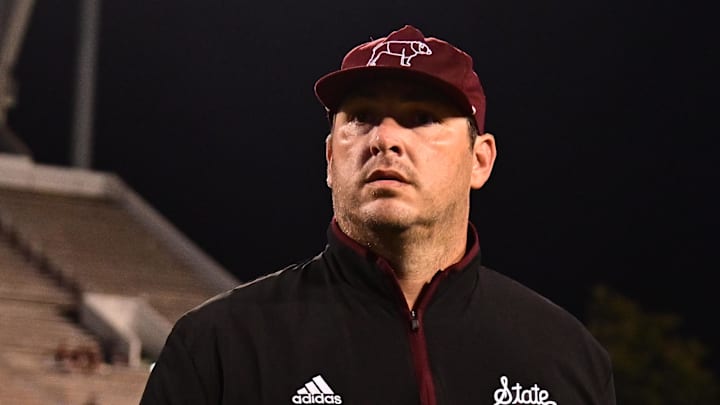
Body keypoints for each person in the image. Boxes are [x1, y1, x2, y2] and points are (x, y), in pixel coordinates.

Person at [140, 25, 616, 405]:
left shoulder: (565, 354)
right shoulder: (219, 346)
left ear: (480, 160)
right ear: (330, 158)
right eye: (362, 117)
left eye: (421, 118)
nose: (384, 139)